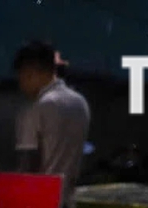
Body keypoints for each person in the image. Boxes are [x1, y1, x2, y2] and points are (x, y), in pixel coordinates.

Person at [13, 40, 91, 194]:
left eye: (20, 77)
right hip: (68, 202)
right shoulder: (80, 102)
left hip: (41, 203)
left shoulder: (37, 108)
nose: (21, 85)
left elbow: (27, 169)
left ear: (30, 72)